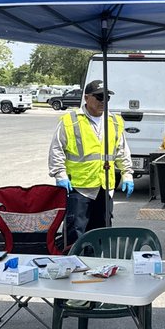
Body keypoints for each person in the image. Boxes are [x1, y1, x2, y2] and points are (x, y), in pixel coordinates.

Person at [48, 79, 134, 248]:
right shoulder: (70, 121)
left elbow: (122, 150)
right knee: (76, 235)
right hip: (79, 188)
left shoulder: (114, 122)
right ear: (87, 98)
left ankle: (100, 269)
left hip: (104, 186)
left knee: (102, 234)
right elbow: (56, 149)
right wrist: (60, 174)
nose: (103, 101)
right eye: (99, 97)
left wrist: (127, 173)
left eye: (107, 98)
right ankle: (75, 269)